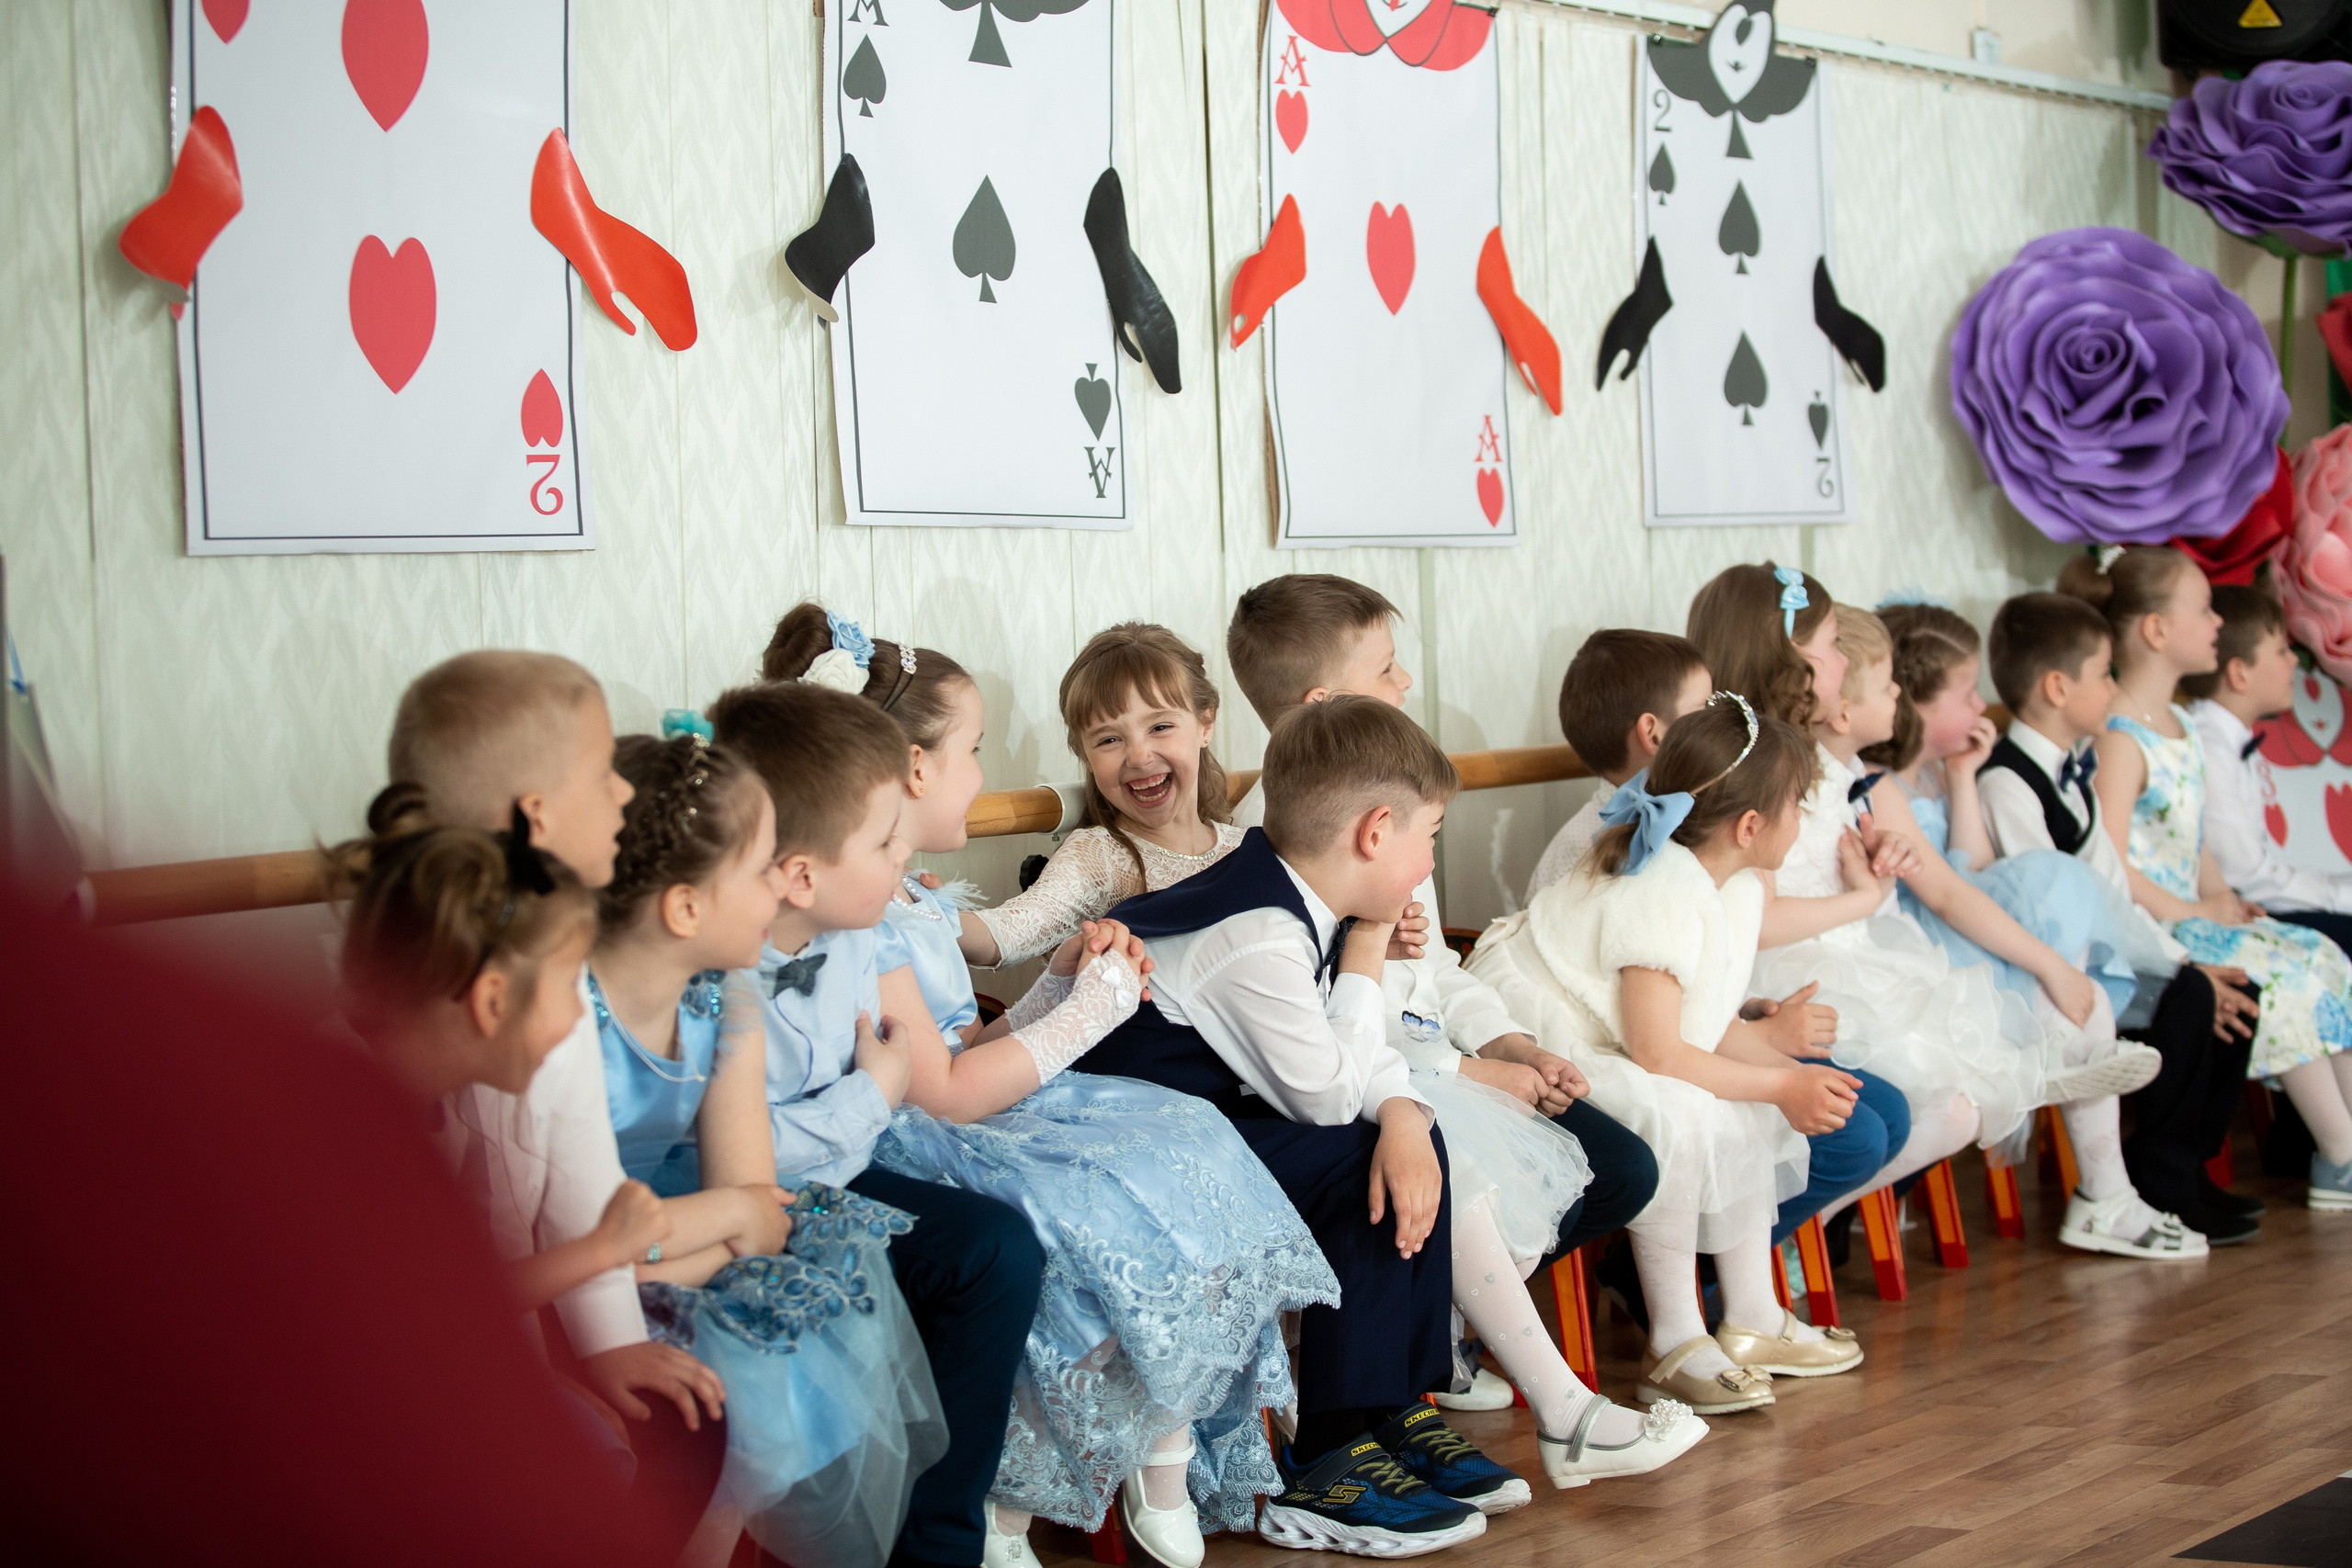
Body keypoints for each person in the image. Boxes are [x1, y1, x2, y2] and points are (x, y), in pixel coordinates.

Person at [764, 604, 1338, 1568]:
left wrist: (1062, 985)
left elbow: (975, 1038)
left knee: (1182, 1138)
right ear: (914, 771)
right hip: (929, 1132)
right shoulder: (872, 912)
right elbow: (944, 1090)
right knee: (1095, 1210)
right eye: (975, 751)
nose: (986, 774)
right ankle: (1010, 1504)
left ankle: (1163, 1440)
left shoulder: (905, 894)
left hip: (983, 1102)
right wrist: (1090, 1010)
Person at [1222, 574, 1663, 1415]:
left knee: (1622, 1168)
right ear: (1324, 703)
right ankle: (1433, 1335)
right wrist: (1475, 1073)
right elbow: (1337, 1029)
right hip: (1374, 1089)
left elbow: (1438, 972)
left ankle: (1444, 1319)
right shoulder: (1278, 838)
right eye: (1386, 667)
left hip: (1446, 1060)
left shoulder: (1396, 796)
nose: (1407, 681)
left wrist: (1510, 1044)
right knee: (1495, 1178)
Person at [386, 651, 730, 1548]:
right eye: (603, 772)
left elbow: (581, 1174)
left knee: (679, 1421)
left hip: (516, 1305)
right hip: (427, 1341)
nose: (624, 793)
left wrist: (607, 1343)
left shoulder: (550, 963)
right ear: (536, 814)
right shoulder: (446, 1005)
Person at [708, 671, 1049, 1568]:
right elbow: (751, 1149)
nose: (906, 863)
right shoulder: (720, 970)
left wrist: (870, 1096)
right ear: (801, 872)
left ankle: (944, 1544)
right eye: (885, 842)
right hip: (734, 1205)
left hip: (833, 1178)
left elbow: (854, 1122)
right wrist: (873, 1090)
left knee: (997, 1248)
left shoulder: (855, 933)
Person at [589, 729, 948, 1568]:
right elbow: (567, 1248)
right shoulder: (563, 1023)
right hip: (567, 1276)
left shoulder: (728, 996)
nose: (781, 888)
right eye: (761, 871)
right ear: (686, 908)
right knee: (750, 1362)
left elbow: (760, 1210)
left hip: (661, 1243)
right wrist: (718, 1224)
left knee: (772, 1349)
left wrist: (721, 1224)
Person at [1471, 697, 1867, 1410]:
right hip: (1537, 1022)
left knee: (1743, 1100)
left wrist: (1781, 1071)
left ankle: (1753, 1315)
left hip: (1613, 1031)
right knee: (1682, 1112)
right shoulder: (1665, 886)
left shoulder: (1732, 883)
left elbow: (1700, 1024)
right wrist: (1781, 1084)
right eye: (1797, 807)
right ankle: (1674, 1337)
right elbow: (1659, 1053)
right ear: (1750, 826)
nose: (1803, 821)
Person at [1837, 604, 2191, 1258]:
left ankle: (2101, 1171)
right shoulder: (1878, 788)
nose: (1983, 706)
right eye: (1966, 693)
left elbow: (1972, 868)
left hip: (1963, 932)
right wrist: (2051, 965)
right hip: (1929, 952)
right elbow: (1950, 896)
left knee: (2077, 987)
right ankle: (2082, 1118)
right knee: (2061, 935)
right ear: (1912, 702)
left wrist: (1962, 780)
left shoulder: (1934, 777)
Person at [2061, 547, 2352, 1214]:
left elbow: (2192, 842)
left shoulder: (2185, 726)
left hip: (2192, 911)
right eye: (2203, 609)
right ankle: (2338, 1154)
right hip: (2148, 927)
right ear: (2157, 630)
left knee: (2320, 953)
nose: (2218, 622)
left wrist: (2223, 898)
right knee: (2280, 973)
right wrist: (2193, 910)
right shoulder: (2120, 738)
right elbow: (2110, 863)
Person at [1977, 591, 2263, 1241]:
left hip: (2099, 950)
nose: (2113, 688)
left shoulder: (2073, 775)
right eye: (2104, 674)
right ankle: (2160, 1178)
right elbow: (2049, 906)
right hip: (2050, 971)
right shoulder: (2007, 783)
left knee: (2228, 990)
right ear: (2058, 687)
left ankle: (2187, 1168)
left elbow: (2109, 888)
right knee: (2189, 1001)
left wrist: (2184, 959)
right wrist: (2176, 973)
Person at [2185, 585, 2352, 957]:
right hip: (2232, 918)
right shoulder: (2211, 749)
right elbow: (2247, 877)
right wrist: (2341, 895)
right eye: (2281, 651)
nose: (2294, 662)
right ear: (2239, 674)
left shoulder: (2228, 741)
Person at [1529, 628, 1713, 900]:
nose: (1715, 723)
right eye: (1703, 711)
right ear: (1653, 734)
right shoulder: (1580, 852)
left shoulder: (1695, 812)